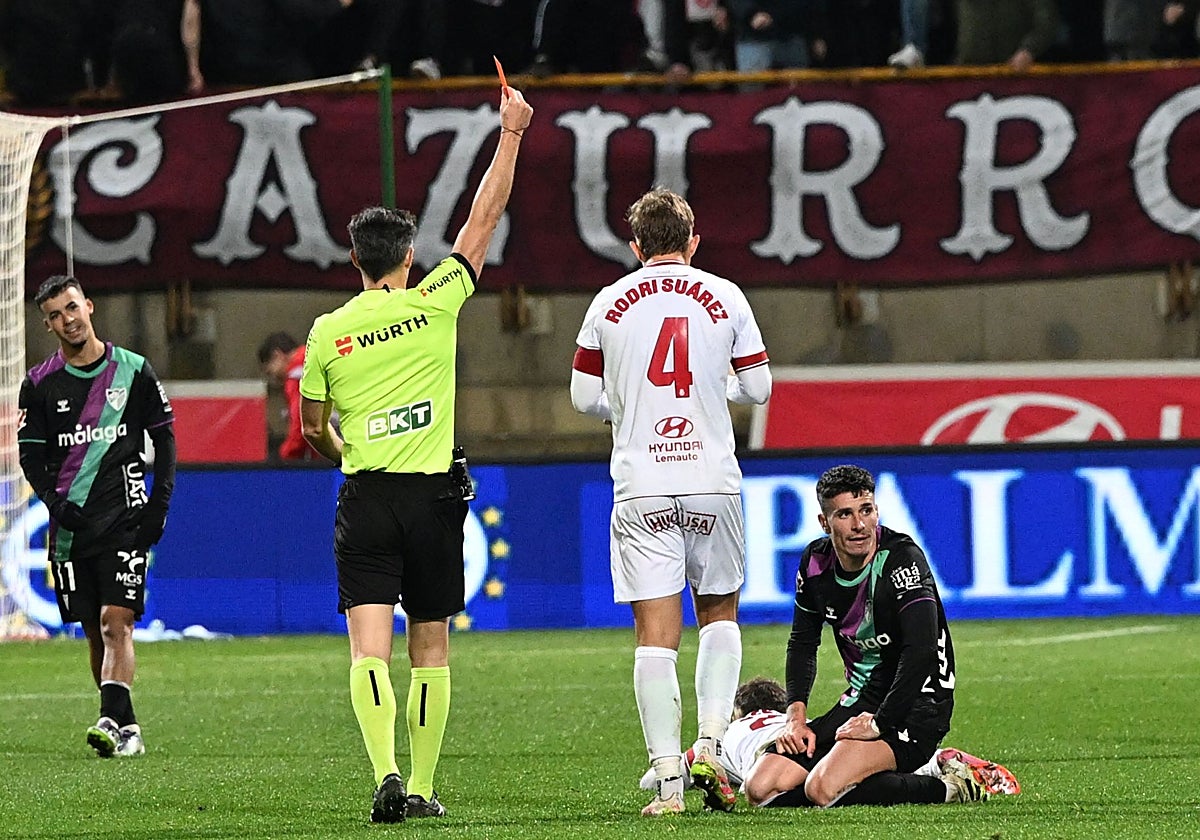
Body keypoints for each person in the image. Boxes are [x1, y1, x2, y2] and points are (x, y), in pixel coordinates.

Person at [298, 84, 533, 823]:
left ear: (355, 259)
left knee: (368, 650)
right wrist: (513, 134)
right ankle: (425, 787)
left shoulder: (327, 332)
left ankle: (384, 773)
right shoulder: (436, 303)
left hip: (365, 495)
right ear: (407, 255)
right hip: (431, 496)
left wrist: (348, 449)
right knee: (429, 647)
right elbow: (483, 217)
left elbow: (309, 427)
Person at [570, 187, 772, 816]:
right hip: (712, 481)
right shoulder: (727, 295)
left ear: (635, 248)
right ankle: (710, 746)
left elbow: (582, 397)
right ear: (694, 241)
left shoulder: (607, 304)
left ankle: (667, 783)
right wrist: (713, 390)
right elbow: (759, 387)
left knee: (655, 640)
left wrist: (629, 408)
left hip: (644, 484)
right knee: (720, 616)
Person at [741, 465, 988, 808]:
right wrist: (795, 719)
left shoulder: (901, 559)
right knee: (761, 788)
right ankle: (872, 775)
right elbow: (802, 642)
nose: (859, 525)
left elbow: (921, 651)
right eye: (845, 514)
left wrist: (880, 723)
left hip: (918, 703)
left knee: (822, 789)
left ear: (876, 511)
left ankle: (950, 786)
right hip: (861, 700)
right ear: (824, 523)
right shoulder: (815, 562)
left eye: (866, 511)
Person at [17, 275, 176, 758]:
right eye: (55, 316)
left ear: (88, 306)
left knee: (116, 623)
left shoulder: (134, 371)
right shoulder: (39, 384)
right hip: (71, 530)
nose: (67, 321)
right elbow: (30, 456)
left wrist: (159, 504)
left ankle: (109, 718)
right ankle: (125, 729)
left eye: (72, 309)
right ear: (47, 325)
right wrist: (54, 503)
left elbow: (165, 440)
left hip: (125, 520)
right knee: (92, 629)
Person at [640, 677, 1021, 800]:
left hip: (771, 759)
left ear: (739, 713)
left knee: (813, 795)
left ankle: (942, 783)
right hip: (810, 742)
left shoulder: (724, 736)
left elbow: (657, 777)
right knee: (846, 769)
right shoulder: (787, 720)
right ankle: (937, 761)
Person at [257, 332, 310, 461]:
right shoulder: (316, 360)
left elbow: (302, 426)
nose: (274, 378)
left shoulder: (297, 375)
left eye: (270, 372)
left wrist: (282, 458)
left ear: (277, 355)